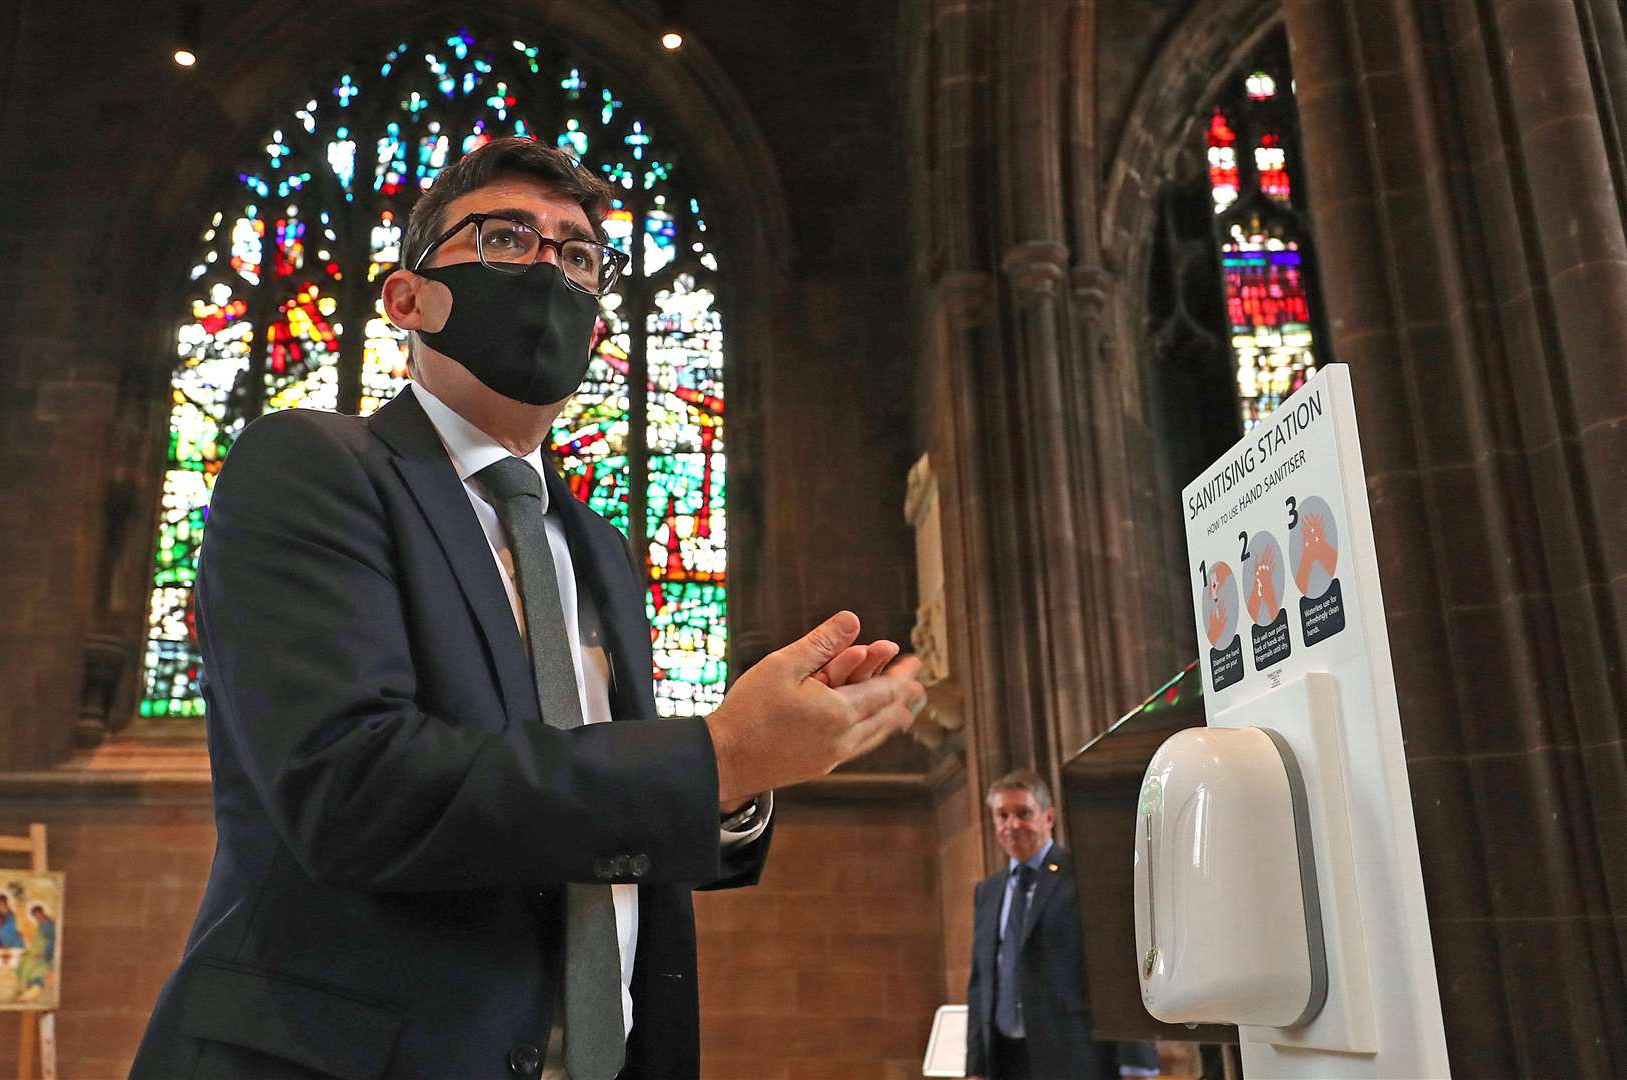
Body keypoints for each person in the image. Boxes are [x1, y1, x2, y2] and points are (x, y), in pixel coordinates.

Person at [133, 136, 924, 1080]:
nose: (552, 269)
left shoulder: (602, 551)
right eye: (508, 241)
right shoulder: (311, 467)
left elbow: (609, 826)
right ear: (408, 297)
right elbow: (352, 788)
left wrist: (743, 790)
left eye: (580, 255)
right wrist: (715, 757)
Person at [965, 770, 1157, 1080]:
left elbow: (1117, 968)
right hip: (1004, 1060)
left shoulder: (1084, 876)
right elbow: (980, 982)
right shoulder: (987, 892)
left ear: (1049, 817)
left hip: (1073, 1057)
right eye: (1002, 816)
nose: (1012, 825)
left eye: (1024, 813)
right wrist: (975, 1066)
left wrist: (1136, 1060)